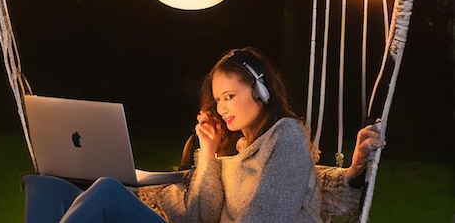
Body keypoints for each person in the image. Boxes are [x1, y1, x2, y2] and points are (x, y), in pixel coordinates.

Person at [22, 47, 385, 222]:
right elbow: (200, 212)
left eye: (231, 96)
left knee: (105, 191)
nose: (223, 108)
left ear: (261, 91)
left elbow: (267, 215)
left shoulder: (285, 136)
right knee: (45, 186)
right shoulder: (238, 149)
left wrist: (352, 175)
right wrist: (209, 151)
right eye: (218, 100)